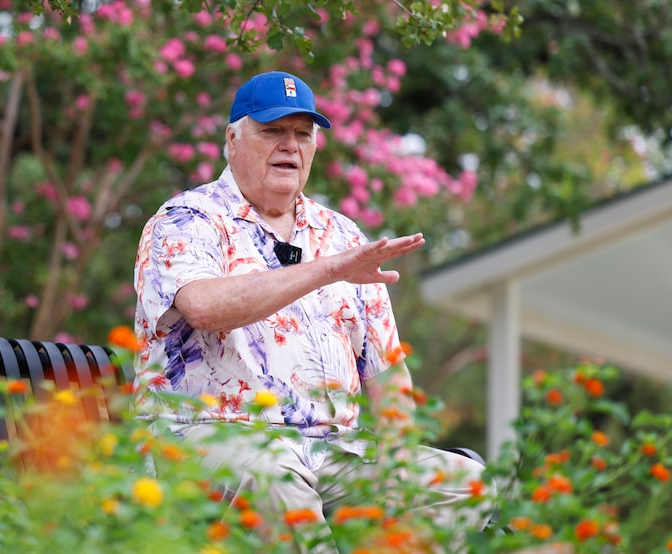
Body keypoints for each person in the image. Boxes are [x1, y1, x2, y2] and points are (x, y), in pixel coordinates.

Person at [133, 71, 493, 552]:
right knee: (273, 477)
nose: (290, 145)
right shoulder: (188, 219)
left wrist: (400, 460)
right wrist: (327, 271)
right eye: (272, 130)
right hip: (211, 438)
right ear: (233, 138)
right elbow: (202, 306)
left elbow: (387, 371)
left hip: (332, 452)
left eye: (303, 133)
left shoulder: (341, 235)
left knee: (465, 483)